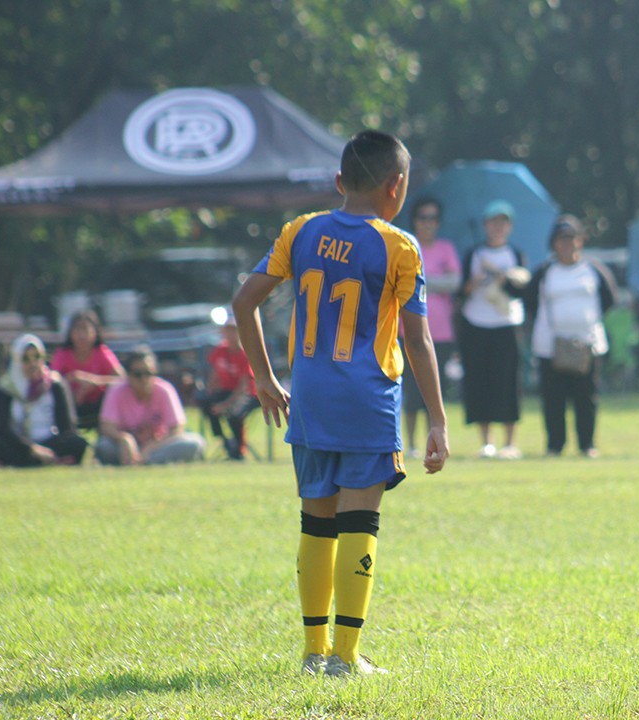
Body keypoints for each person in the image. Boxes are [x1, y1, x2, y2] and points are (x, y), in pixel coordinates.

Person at [230, 130, 449, 678]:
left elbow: (243, 302)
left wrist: (262, 376)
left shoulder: (300, 231)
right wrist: (440, 420)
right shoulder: (399, 245)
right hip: (367, 400)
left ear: (337, 182)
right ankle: (347, 658)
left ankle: (312, 652)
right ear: (396, 187)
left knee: (315, 522)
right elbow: (418, 341)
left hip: (307, 399)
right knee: (360, 524)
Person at [527, 215, 617, 457]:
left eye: (572, 239)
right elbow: (531, 302)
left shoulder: (593, 270)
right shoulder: (545, 272)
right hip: (551, 345)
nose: (567, 245)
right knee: (553, 398)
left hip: (588, 344)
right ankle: (555, 445)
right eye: (562, 240)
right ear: (554, 243)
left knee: (586, 397)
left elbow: (609, 300)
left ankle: (587, 444)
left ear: (581, 241)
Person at [457, 199, 530, 459]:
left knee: (508, 382)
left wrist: (504, 278)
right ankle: (486, 441)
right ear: (486, 225)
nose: (497, 227)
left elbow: (522, 291)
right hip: (477, 323)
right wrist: (473, 283)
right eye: (493, 221)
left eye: (503, 222)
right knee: (480, 380)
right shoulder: (473, 254)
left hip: (507, 324)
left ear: (508, 226)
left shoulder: (516, 254)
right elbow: (462, 292)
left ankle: (510, 442)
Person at [400, 197, 461, 456]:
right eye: (424, 218)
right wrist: (432, 281)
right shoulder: (405, 245)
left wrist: (421, 281)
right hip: (406, 330)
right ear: (415, 220)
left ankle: (433, 439)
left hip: (440, 332)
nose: (428, 223)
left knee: (432, 390)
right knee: (409, 391)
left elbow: (454, 282)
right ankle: (411, 443)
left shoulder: (445, 248)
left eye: (433, 218)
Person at [95, 346, 206, 466]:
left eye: (148, 373)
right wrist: (124, 439)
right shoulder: (116, 390)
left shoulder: (164, 390)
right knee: (103, 446)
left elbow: (176, 428)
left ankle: (145, 461)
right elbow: (106, 426)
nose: (144, 379)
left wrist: (150, 447)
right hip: (125, 447)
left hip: (158, 446)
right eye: (138, 374)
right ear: (128, 375)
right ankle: (135, 459)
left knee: (195, 443)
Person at [0, 334, 89, 467]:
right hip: (18, 444)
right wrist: (31, 449)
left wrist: (45, 450)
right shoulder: (5, 389)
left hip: (49, 442)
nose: (33, 364)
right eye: (26, 359)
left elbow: (67, 426)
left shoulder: (54, 385)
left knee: (76, 442)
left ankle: (40, 460)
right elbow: (2, 428)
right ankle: (44, 461)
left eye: (37, 357)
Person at [48, 309, 125, 429]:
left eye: (85, 329)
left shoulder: (101, 352)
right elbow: (50, 380)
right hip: (70, 405)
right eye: (77, 329)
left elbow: (122, 380)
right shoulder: (63, 354)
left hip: (98, 407)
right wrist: (69, 381)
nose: (81, 335)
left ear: (95, 332)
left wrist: (93, 382)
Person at [198, 315, 258, 460]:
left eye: (234, 331)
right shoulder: (220, 350)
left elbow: (243, 388)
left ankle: (239, 451)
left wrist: (225, 405)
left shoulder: (245, 354)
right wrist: (209, 394)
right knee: (205, 403)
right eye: (228, 331)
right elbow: (215, 375)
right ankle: (224, 441)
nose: (231, 335)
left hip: (248, 394)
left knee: (234, 415)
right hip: (227, 390)